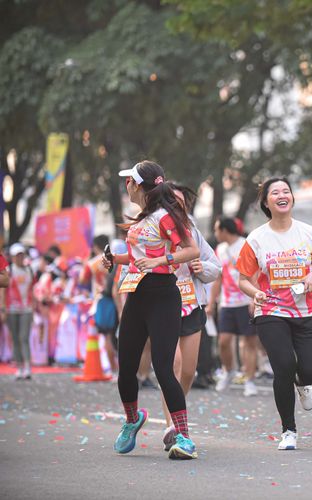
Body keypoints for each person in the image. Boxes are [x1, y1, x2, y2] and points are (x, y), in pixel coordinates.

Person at [103, 160, 200, 459]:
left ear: (139, 185)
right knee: (126, 368)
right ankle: (132, 420)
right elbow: (137, 259)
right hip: (136, 296)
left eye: (129, 181)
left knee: (163, 367)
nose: (126, 186)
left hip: (163, 297)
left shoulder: (166, 217)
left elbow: (191, 250)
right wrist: (114, 260)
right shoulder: (142, 219)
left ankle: (182, 436)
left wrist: (161, 261)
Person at [236, 177, 312, 451]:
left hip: (308, 309)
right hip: (271, 309)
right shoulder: (256, 239)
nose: (281, 195)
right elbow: (243, 279)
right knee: (283, 366)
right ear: (266, 202)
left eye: (286, 191)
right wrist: (255, 293)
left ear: (292, 198)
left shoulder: (309, 233)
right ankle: (289, 430)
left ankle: (303, 382)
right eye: (275, 192)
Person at [160, 182, 221, 451]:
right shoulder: (152, 231)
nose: (177, 205)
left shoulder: (193, 232)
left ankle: (177, 414)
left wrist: (200, 267)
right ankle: (172, 426)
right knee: (172, 366)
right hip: (163, 308)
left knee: (188, 371)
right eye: (170, 201)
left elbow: (215, 267)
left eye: (181, 202)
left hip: (191, 307)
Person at [208, 217, 259, 397]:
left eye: (216, 229)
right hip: (227, 303)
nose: (215, 233)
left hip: (245, 302)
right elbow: (218, 278)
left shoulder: (245, 245)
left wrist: (254, 298)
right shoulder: (220, 249)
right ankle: (229, 371)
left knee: (249, 342)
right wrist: (211, 302)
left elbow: (254, 274)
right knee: (223, 341)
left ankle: (250, 380)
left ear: (224, 230)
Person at [81, 235, 118, 377]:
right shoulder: (115, 258)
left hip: (101, 301)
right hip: (117, 298)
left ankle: (113, 370)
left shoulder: (93, 263)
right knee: (115, 335)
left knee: (107, 335)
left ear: (95, 247)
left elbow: (82, 279)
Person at [3, 244, 35, 380]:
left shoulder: (29, 270)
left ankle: (27, 367)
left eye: (21, 255)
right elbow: (3, 290)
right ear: (12, 257)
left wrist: (34, 307)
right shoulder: (9, 271)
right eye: (17, 255)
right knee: (15, 339)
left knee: (24, 338)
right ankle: (20, 367)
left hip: (26, 309)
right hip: (11, 310)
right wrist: (3, 308)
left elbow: (32, 289)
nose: (20, 258)